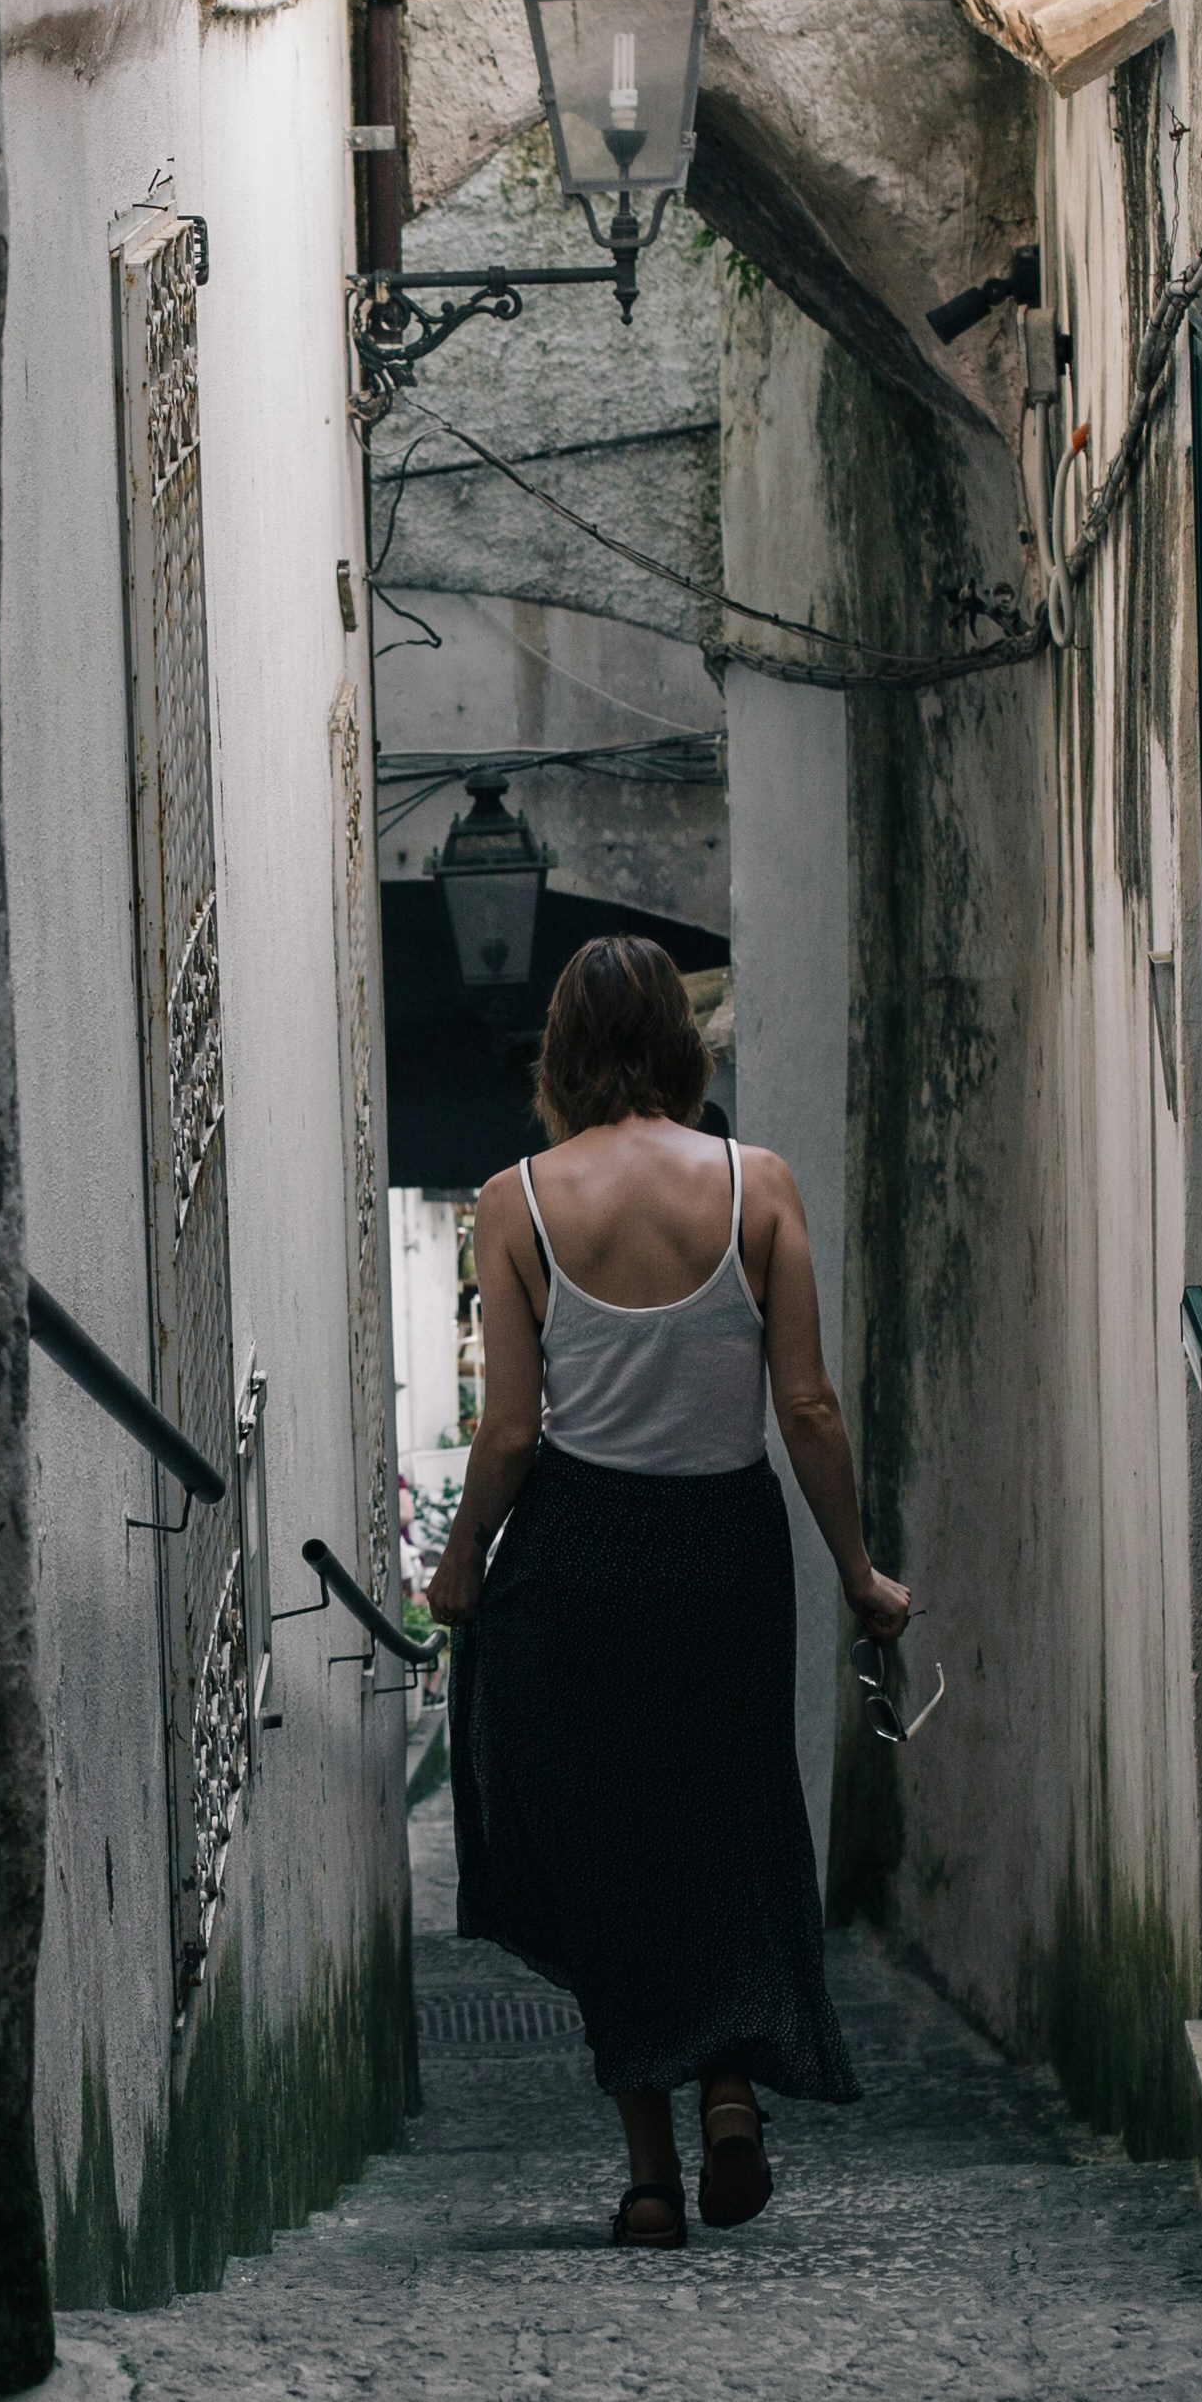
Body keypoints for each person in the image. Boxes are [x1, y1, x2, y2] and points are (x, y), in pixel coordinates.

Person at [421, 935, 913, 2246]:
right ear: (686, 1050)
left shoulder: (515, 1200)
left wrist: (465, 1556)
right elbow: (804, 1403)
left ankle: (648, 2179)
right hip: (725, 1551)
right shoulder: (756, 1183)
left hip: (580, 1552)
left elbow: (514, 1432)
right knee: (730, 1823)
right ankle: (733, 2098)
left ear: (562, 1055)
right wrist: (858, 1570)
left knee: (606, 1852)